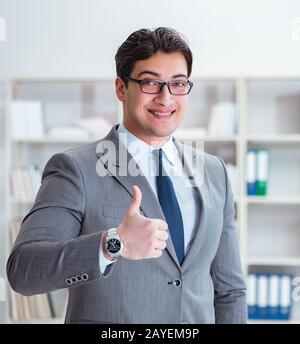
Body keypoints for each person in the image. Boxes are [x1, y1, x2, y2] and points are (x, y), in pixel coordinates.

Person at [7, 27, 247, 324]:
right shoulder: (75, 168)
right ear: (121, 88)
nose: (166, 97)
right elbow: (24, 272)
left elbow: (230, 291)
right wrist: (114, 242)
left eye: (178, 83)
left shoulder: (214, 172)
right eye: (150, 83)